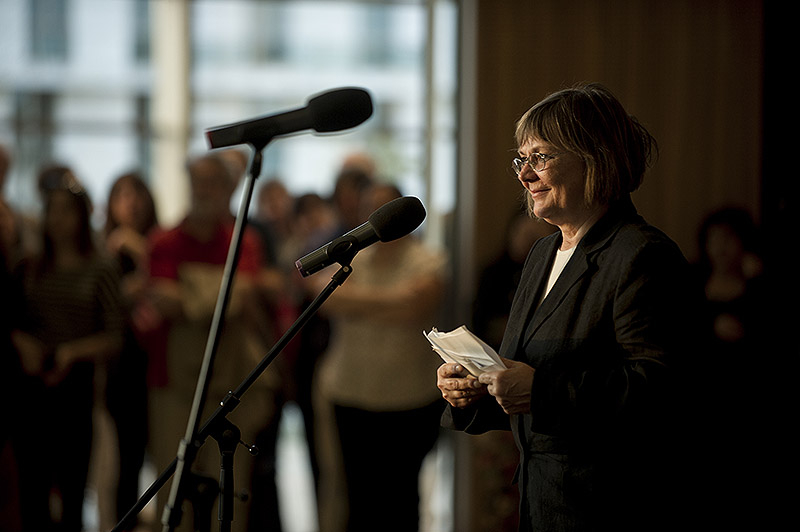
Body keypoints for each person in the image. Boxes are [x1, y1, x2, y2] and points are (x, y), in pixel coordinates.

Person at [437, 83, 705, 531]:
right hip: (542, 503)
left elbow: (662, 391)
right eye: (521, 160)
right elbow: (527, 379)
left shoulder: (641, 255)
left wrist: (539, 391)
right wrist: (476, 389)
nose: (525, 175)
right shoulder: (542, 254)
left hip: (612, 507)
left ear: (595, 157)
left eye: (540, 157)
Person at [144, 153, 281, 532]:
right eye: (197, 182)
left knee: (230, 492)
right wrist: (226, 292)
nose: (203, 191)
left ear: (229, 188)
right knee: (173, 491)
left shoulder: (244, 241)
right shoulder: (163, 241)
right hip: (173, 384)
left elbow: (243, 292)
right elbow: (163, 300)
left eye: (213, 183)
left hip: (231, 383)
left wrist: (188, 294)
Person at [314, 183, 447, 532]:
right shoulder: (351, 258)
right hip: (350, 393)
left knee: (402, 498)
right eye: (370, 209)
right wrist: (393, 301)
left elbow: (415, 306)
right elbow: (326, 300)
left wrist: (358, 304)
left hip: (409, 399)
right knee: (357, 498)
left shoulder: (427, 259)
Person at [11, 166, 124, 532]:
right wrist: (22, 343)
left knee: (73, 492)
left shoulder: (100, 268)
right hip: (31, 386)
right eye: (51, 210)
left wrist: (72, 352)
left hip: (75, 387)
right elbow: (12, 319)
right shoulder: (29, 266)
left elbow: (114, 335)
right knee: (32, 490)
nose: (57, 219)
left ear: (81, 216)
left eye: (66, 211)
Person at [101, 171, 160, 530]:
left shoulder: (158, 244)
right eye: (121, 195)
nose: (131, 202)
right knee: (122, 464)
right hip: (118, 370)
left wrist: (139, 247)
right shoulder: (101, 248)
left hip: (158, 364)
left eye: (137, 194)